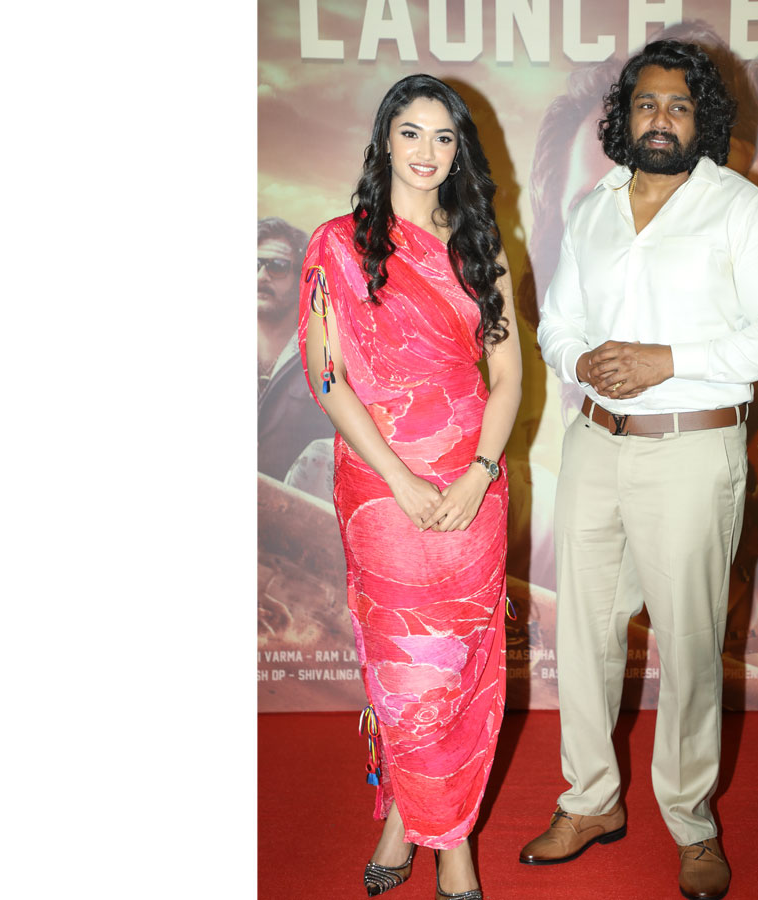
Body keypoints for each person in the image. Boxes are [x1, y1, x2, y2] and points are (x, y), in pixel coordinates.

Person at [524, 40, 758, 900]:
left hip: (692, 447)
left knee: (688, 644)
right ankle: (590, 802)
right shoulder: (594, 208)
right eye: (647, 104)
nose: (661, 120)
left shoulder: (743, 210)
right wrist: (581, 362)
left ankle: (692, 825)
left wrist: (667, 362)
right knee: (582, 633)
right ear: (626, 115)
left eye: (679, 107)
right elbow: (556, 323)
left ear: (702, 120)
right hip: (593, 443)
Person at [298, 74, 521, 900]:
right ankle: (449, 844)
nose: (428, 151)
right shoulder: (336, 245)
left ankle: (412, 822)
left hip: (473, 484)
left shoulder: (480, 247)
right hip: (379, 486)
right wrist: (398, 478)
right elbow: (327, 377)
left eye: (444, 137)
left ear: (460, 151)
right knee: (404, 669)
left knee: (460, 666)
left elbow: (508, 377)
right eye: (411, 133)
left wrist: (479, 474)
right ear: (384, 141)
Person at [258, 216, 336, 485]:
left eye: (277, 266)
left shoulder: (327, 358)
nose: (261, 276)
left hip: (294, 507)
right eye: (254, 265)